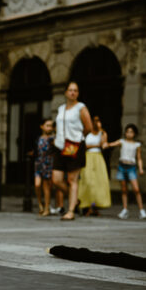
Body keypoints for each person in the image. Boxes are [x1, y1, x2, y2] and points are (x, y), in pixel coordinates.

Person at [52, 81, 93, 220]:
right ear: (65, 92)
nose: (73, 92)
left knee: (72, 179)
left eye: (75, 90)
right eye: (70, 90)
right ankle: (75, 200)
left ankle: (70, 211)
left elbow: (88, 127)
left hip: (74, 146)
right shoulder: (61, 108)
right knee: (56, 179)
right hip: (60, 146)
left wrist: (78, 138)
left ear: (78, 93)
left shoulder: (81, 107)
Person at [106, 124, 146, 219]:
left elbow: (139, 158)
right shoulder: (122, 141)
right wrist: (105, 143)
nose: (129, 134)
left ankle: (141, 209)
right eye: (127, 131)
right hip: (122, 166)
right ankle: (125, 209)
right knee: (124, 190)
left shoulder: (137, 145)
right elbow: (111, 144)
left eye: (131, 132)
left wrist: (140, 168)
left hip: (131, 167)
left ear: (134, 133)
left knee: (136, 189)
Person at [77, 116, 111, 216]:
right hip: (88, 157)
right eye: (95, 121)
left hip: (98, 158)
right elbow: (85, 146)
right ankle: (85, 206)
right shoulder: (86, 133)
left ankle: (94, 206)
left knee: (98, 183)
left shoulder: (102, 133)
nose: (97, 123)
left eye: (98, 121)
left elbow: (104, 145)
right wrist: (97, 145)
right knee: (87, 182)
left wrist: (101, 132)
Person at [34, 119, 54, 217]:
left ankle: (47, 207)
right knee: (37, 184)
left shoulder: (52, 138)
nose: (49, 128)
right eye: (47, 125)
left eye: (51, 126)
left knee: (46, 187)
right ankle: (40, 204)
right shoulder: (39, 138)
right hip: (39, 163)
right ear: (42, 126)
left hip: (48, 163)